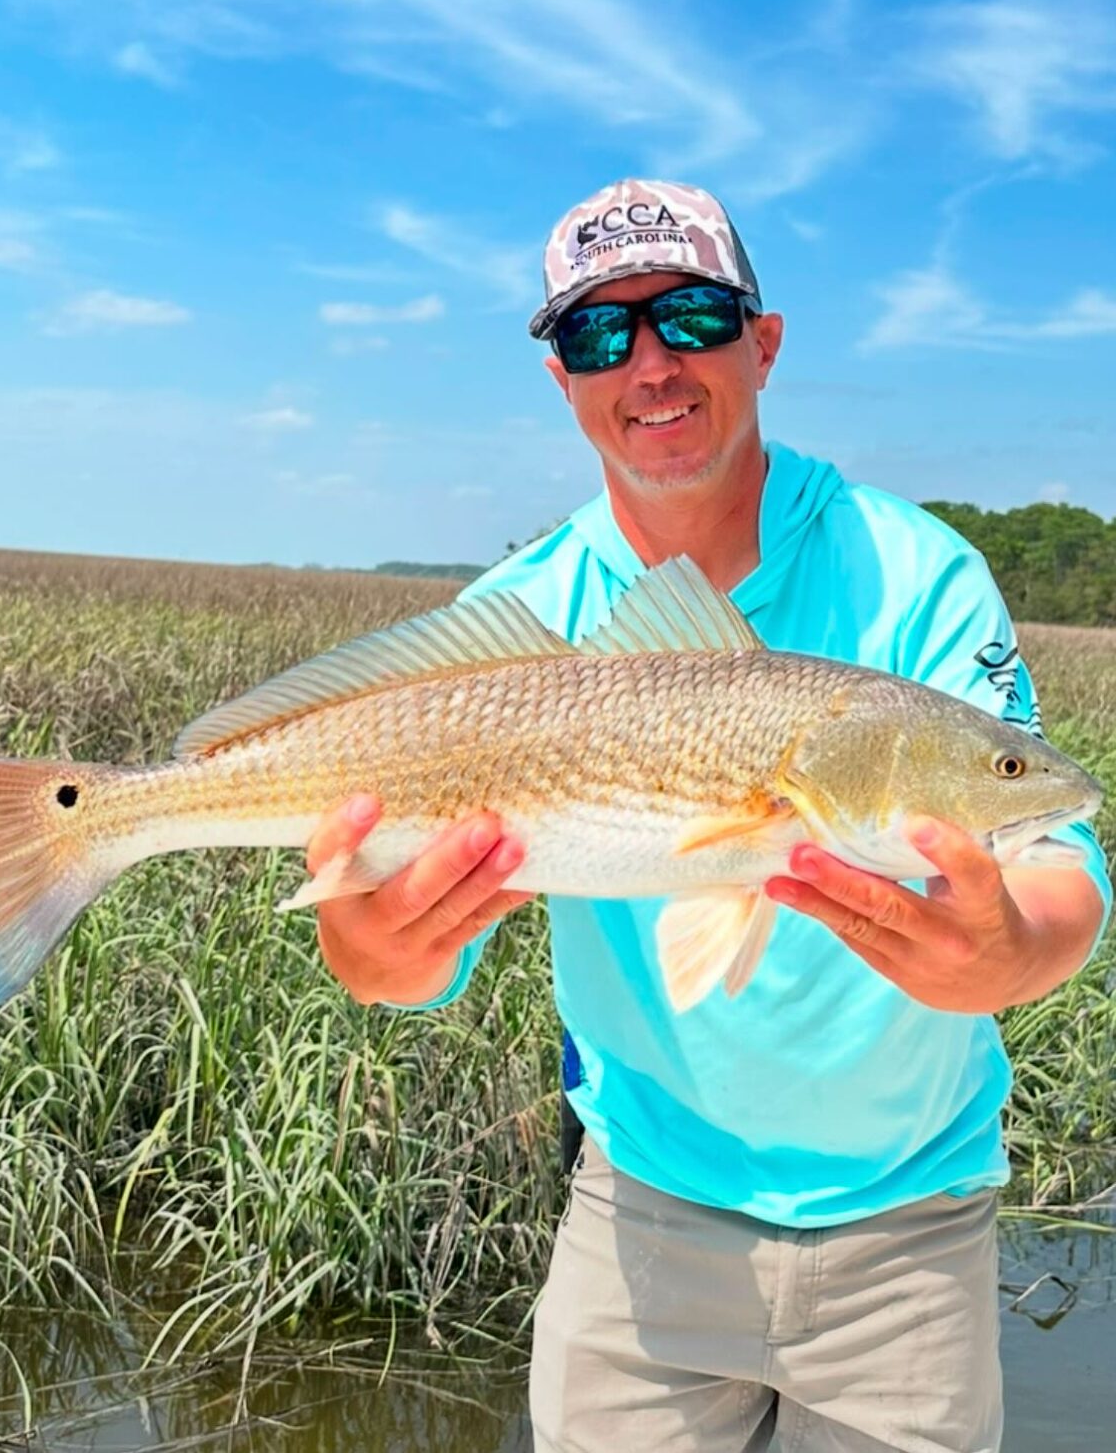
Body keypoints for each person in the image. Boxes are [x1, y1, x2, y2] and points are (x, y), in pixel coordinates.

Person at [304, 179, 1111, 1452]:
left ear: (763, 340)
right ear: (562, 379)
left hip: (909, 1226)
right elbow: (387, 955)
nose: (648, 362)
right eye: (595, 334)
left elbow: (1058, 853)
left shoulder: (915, 572)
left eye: (687, 314)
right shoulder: (521, 612)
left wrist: (1014, 952)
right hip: (639, 1214)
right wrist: (372, 950)